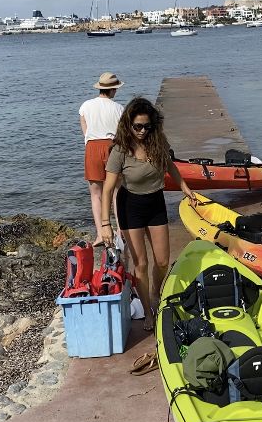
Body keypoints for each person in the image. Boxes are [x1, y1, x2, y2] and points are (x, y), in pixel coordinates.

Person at [100, 97, 196, 331]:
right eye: (137, 126)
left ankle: (155, 293)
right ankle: (147, 310)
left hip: (155, 201)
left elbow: (170, 164)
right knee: (141, 263)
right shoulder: (120, 150)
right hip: (130, 205)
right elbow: (107, 189)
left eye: (146, 126)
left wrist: (184, 186)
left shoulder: (157, 141)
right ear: (128, 125)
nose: (142, 131)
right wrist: (105, 224)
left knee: (162, 261)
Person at [79, 72, 125, 246]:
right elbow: (122, 134)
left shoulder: (86, 106)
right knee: (116, 192)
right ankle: (121, 231)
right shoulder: (119, 108)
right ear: (113, 89)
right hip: (113, 146)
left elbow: (85, 130)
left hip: (92, 147)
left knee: (96, 194)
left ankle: (100, 234)